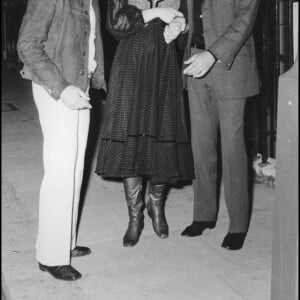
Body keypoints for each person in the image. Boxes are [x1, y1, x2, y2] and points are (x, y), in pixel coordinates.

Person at [17, 0, 106, 280]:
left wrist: (98, 80)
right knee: (60, 171)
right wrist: (61, 88)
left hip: (79, 85)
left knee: (75, 168)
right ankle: (50, 256)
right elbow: (27, 45)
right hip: (56, 87)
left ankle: (64, 242)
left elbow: (91, 40)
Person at [96, 0, 194, 247]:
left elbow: (187, 36)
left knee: (164, 131)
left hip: (164, 65)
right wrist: (157, 13)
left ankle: (156, 204)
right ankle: (134, 216)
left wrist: (179, 30)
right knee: (131, 136)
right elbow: (116, 24)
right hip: (131, 64)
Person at [181, 0, 260, 250]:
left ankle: (237, 225)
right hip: (195, 62)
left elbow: (245, 19)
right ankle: (204, 214)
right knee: (201, 144)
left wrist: (212, 54)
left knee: (232, 147)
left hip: (230, 66)